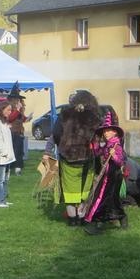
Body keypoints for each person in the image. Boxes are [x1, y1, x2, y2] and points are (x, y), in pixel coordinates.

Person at [53, 90, 101, 225]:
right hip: (86, 156)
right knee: (85, 188)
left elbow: (56, 133)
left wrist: (62, 145)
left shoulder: (65, 114)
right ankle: (82, 216)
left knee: (69, 188)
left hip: (67, 156)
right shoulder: (94, 117)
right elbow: (97, 137)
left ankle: (72, 219)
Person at [83, 111, 128, 234]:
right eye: (104, 131)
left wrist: (115, 157)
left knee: (105, 198)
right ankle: (119, 218)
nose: (106, 133)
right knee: (110, 199)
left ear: (115, 132)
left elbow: (121, 162)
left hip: (114, 176)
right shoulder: (108, 144)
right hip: (108, 176)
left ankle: (98, 223)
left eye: (108, 131)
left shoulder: (116, 146)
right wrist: (95, 142)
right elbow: (98, 153)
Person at [6, 82, 30, 175]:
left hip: (19, 131)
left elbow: (21, 118)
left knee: (19, 150)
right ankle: (11, 167)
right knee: (13, 150)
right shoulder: (9, 106)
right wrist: (17, 110)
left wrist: (27, 118)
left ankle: (18, 167)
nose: (19, 100)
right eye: (17, 98)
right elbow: (10, 118)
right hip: (12, 131)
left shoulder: (18, 107)